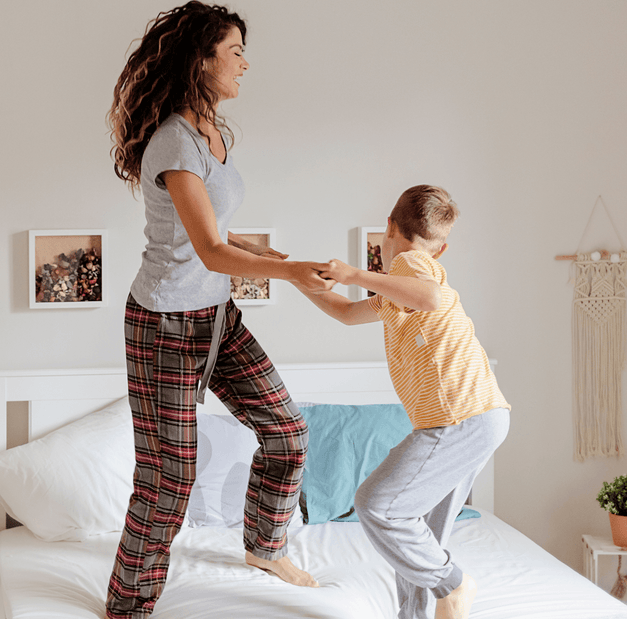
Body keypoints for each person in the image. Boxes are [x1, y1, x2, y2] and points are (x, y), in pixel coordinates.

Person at [105, 3, 332, 617]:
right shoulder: (175, 140)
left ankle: (264, 544)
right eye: (234, 52)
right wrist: (284, 271)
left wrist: (267, 254)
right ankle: (128, 607)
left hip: (216, 317)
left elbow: (214, 235)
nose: (244, 63)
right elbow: (206, 249)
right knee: (168, 480)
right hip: (163, 325)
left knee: (286, 431)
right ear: (200, 60)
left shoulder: (213, 133)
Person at [296, 185, 511, 619]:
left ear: (388, 227)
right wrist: (300, 278)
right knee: (416, 533)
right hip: (477, 416)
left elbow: (429, 296)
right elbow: (345, 313)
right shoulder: (399, 294)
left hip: (458, 418)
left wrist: (354, 274)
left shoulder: (412, 264)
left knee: (377, 505)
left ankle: (455, 584)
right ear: (443, 247)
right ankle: (416, 613)